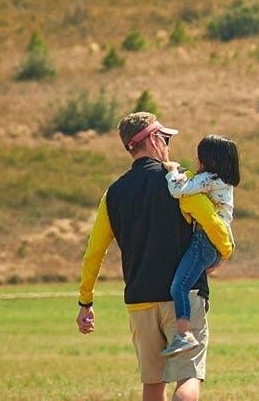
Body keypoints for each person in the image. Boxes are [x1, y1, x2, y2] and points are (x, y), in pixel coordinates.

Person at [75, 113, 234, 401]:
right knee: (188, 378)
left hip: (139, 301)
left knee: (152, 384)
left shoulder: (113, 194)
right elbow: (214, 223)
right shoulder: (180, 183)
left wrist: (86, 301)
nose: (169, 146)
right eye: (166, 139)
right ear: (152, 139)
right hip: (182, 298)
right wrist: (224, 252)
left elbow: (94, 252)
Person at [161, 135, 241, 357]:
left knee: (179, 286)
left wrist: (172, 170)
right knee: (185, 283)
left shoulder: (209, 179)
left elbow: (178, 190)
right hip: (214, 244)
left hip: (204, 240)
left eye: (200, 156)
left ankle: (183, 334)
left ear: (209, 160)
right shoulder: (224, 182)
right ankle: (185, 330)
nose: (196, 160)